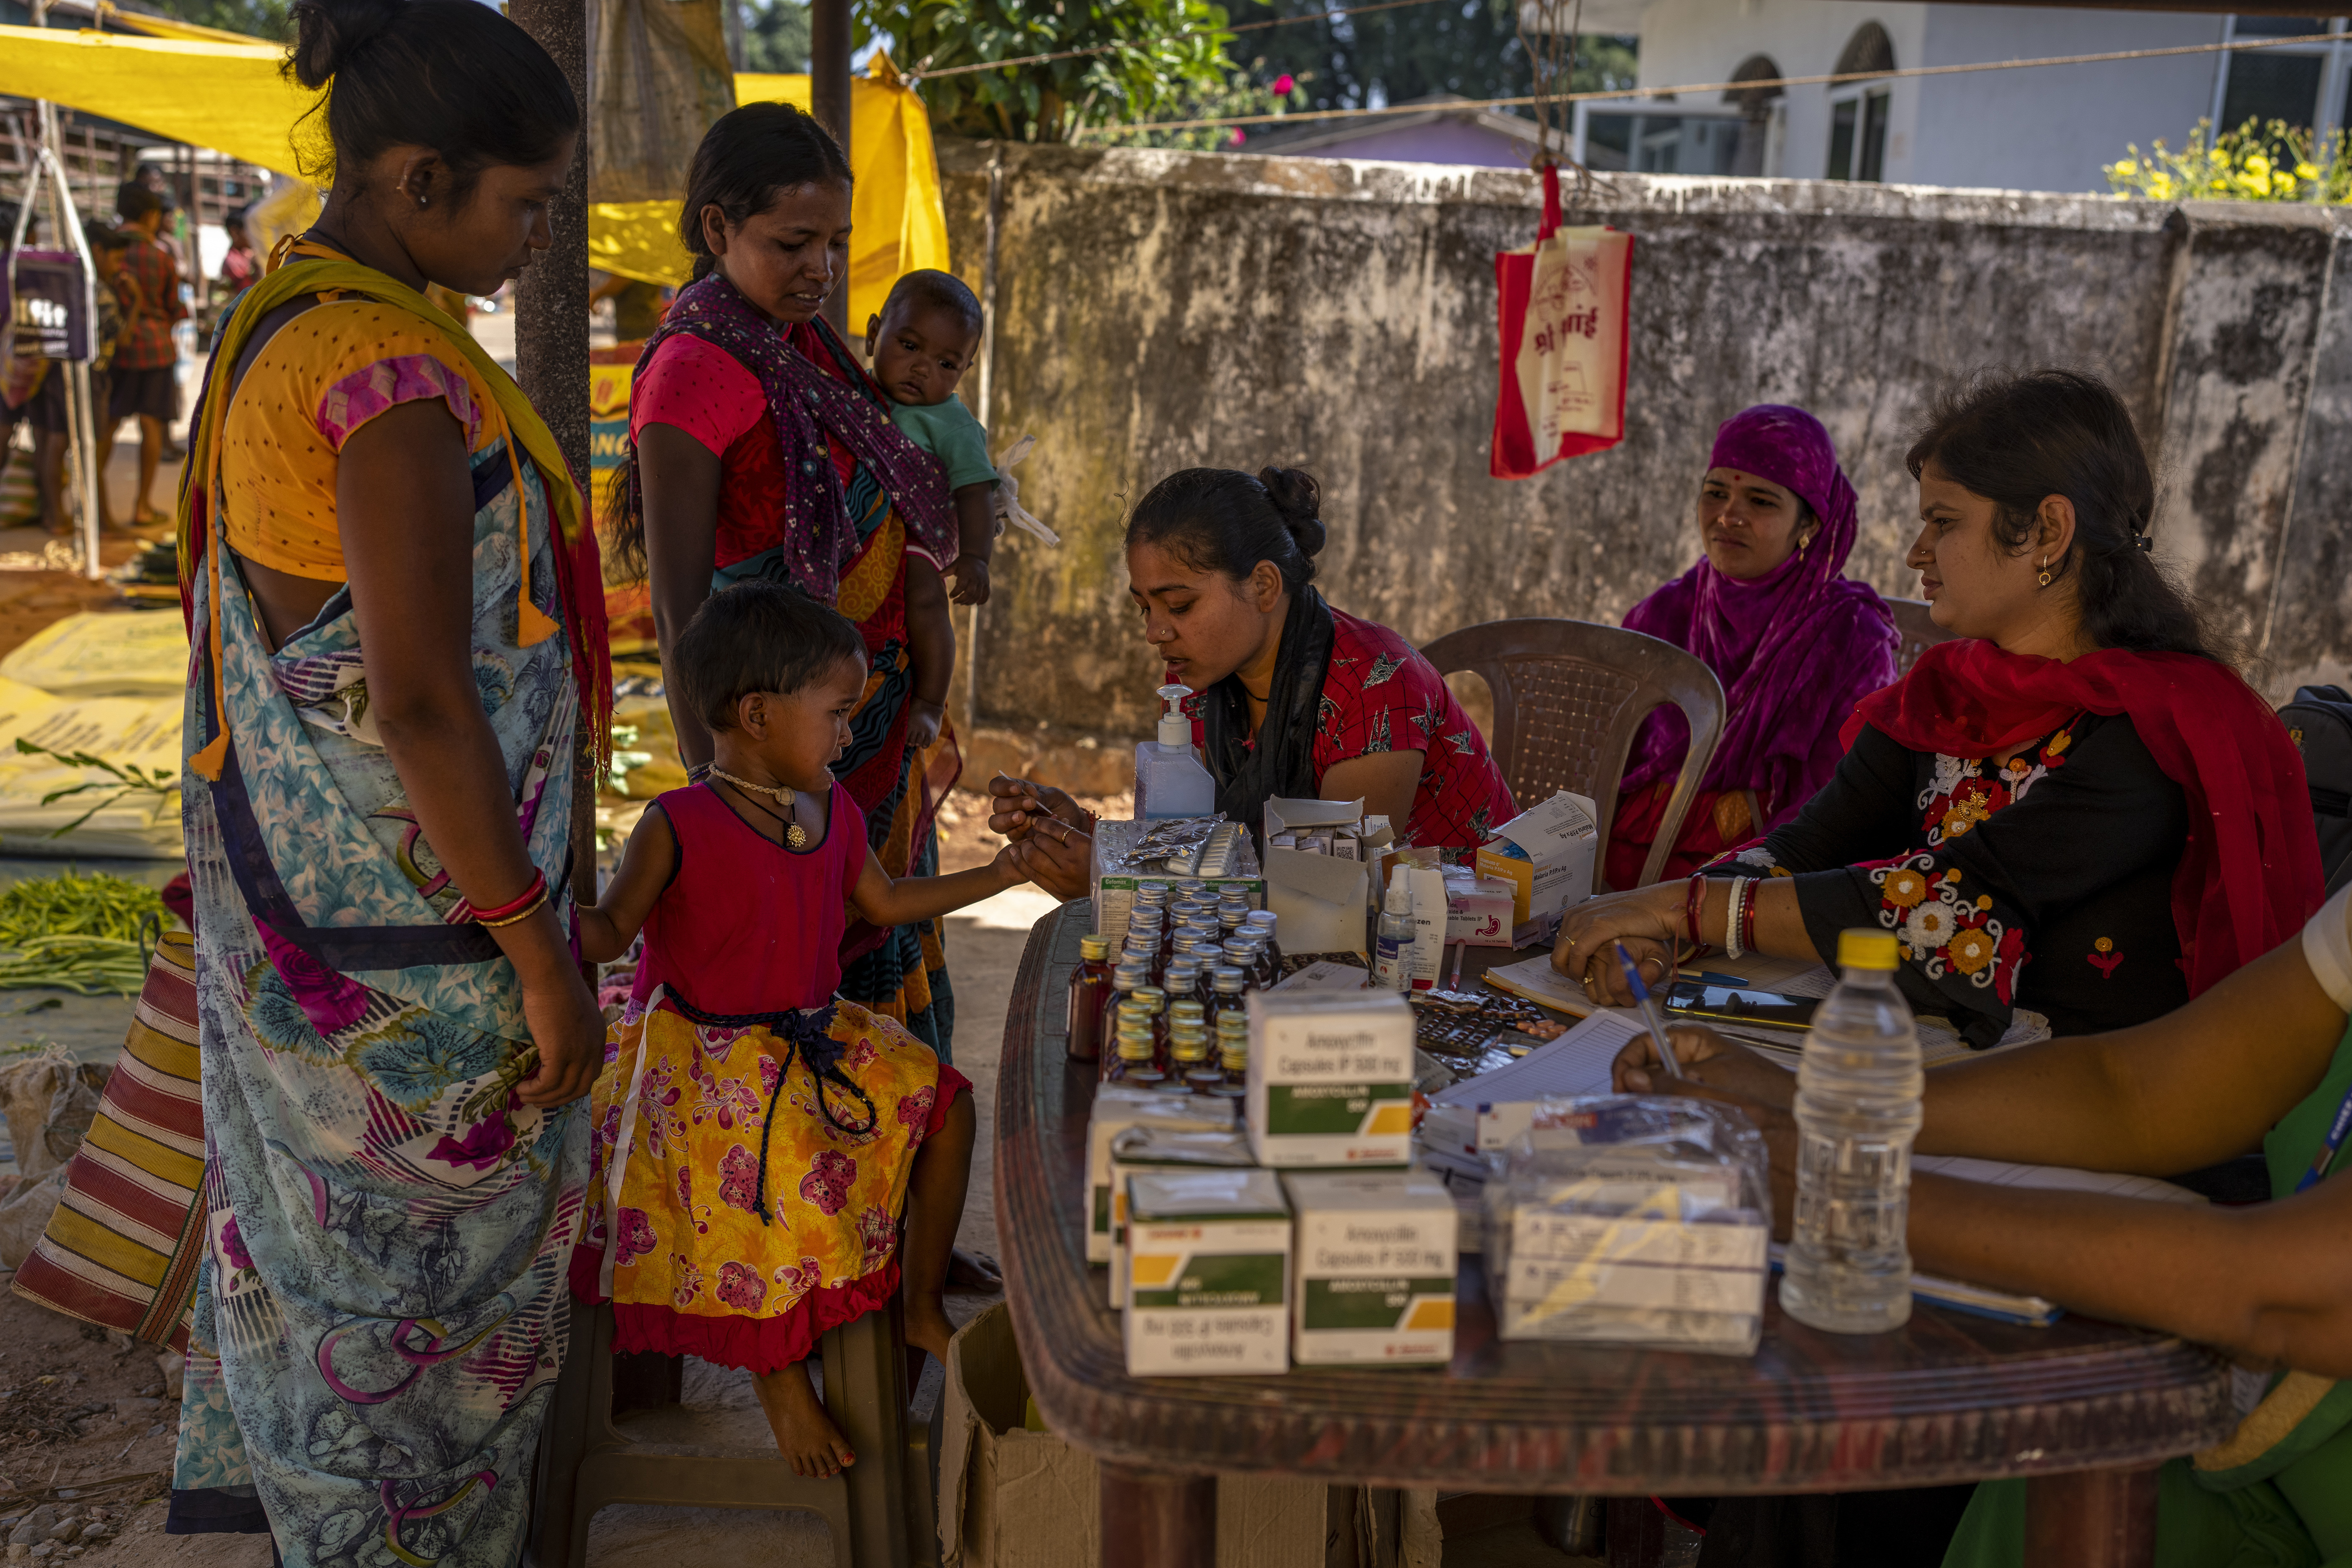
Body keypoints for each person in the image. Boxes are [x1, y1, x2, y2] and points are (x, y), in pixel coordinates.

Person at [172, 2, 605, 1561]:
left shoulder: (293, 315)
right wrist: (542, 958)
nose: (540, 235)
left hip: (329, 916)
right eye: (525, 201)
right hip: (423, 949)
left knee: (332, 1287)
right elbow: (420, 704)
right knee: (417, 1344)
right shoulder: (387, 382)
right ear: (421, 179)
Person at [1557, 370, 2322, 1050]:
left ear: (2046, 532)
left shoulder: (2158, 723)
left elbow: (1954, 900)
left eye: (1944, 521)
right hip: (1928, 1056)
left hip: (2087, 1105)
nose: (1916, 551)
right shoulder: (1950, 694)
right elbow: (1808, 843)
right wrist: (1662, 933)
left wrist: (1686, 907)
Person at [1610, 875, 2352, 1568]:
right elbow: (2138, 1091)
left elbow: (2295, 1291)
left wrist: (1844, 1185)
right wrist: (1821, 1104)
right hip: (2224, 1456)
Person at [571, 582, 1039, 1476]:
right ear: (756, 713)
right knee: (779, 1175)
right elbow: (610, 930)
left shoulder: (833, 810)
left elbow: (890, 901)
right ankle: (778, 1379)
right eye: (837, 713)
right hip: (701, 1056)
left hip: (809, 1035)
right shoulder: (677, 823)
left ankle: (920, 1298)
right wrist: (531, 916)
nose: (850, 734)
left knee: (946, 1101)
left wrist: (1007, 869)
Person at [609, 102, 965, 1064]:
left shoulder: (797, 340)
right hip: (781, 753)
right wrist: (720, 796)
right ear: (718, 229)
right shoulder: (697, 370)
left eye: (836, 243)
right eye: (793, 241)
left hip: (857, 725)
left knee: (880, 982)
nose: (822, 267)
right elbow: (686, 606)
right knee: (805, 1010)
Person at [989, 465, 1517, 896]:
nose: (1155, 631)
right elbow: (1200, 847)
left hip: (1458, 948)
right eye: (1144, 607)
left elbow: (1329, 894)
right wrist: (1091, 840)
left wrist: (1116, 881)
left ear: (1264, 585)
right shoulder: (1199, 685)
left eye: (1179, 604)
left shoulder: (1374, 684)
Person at [1605, 405, 1898, 889]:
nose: (1728, 516)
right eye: (1715, 493)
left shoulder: (1851, 637)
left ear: (1809, 523)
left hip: (1764, 881)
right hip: (1617, 876)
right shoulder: (1659, 615)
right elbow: (1605, 768)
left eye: (1761, 501)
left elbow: (1840, 800)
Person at [865, 267, 996, 606]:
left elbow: (976, 492)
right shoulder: (849, 394)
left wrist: (975, 558)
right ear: (873, 335)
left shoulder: (953, 424)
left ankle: (935, 663)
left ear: (964, 371)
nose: (923, 368)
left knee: (926, 595)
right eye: (909, 346)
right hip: (852, 533)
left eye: (946, 365)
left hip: (914, 542)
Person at [110, 180, 186, 527]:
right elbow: (174, 308)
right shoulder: (160, 257)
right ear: (152, 215)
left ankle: (97, 508)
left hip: (115, 350)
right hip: (156, 348)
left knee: (106, 426)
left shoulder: (107, 252)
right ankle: (142, 506)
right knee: (151, 425)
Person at [217, 205, 259, 298]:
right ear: (234, 232)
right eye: (249, 230)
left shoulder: (248, 254)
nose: (254, 234)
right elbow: (250, 295)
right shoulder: (232, 263)